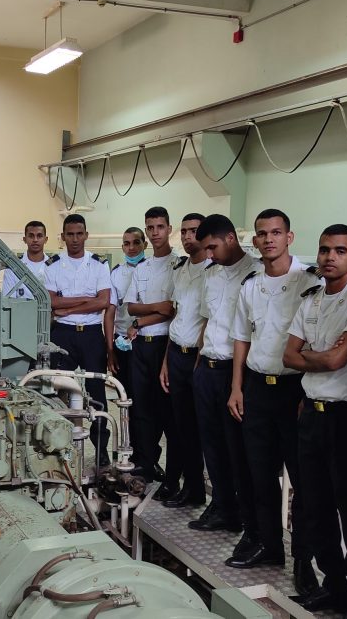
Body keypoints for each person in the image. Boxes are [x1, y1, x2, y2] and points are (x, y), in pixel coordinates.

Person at [283, 224, 347, 617]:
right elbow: (289, 356)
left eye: (339, 251)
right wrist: (319, 357)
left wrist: (316, 356)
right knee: (315, 509)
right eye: (324, 250)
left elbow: (336, 360)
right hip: (312, 415)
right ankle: (334, 588)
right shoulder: (311, 300)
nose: (329, 257)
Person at [228, 209, 319, 595]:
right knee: (258, 473)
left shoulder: (311, 282)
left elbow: (319, 341)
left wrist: (309, 390)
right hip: (257, 388)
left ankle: (304, 561)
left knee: (302, 481)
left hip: (296, 390)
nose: (268, 240)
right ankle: (267, 544)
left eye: (276, 233)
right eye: (262, 234)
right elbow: (241, 339)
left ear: (289, 237)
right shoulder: (251, 285)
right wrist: (237, 388)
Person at [189, 214, 257, 555]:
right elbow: (209, 321)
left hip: (236, 371)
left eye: (213, 246)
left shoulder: (256, 273)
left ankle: (247, 518)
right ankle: (223, 508)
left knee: (237, 450)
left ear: (230, 237)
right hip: (208, 368)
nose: (210, 254)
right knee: (211, 443)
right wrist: (199, 361)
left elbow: (251, 333)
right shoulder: (211, 274)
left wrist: (238, 384)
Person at [44, 213, 112, 463]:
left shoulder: (99, 264)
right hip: (63, 335)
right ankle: (58, 447)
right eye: (69, 234)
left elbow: (104, 301)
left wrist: (69, 307)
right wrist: (87, 299)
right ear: (63, 237)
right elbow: (52, 301)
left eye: (79, 233)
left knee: (97, 394)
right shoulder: (52, 265)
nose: (75, 239)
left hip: (92, 336)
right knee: (56, 391)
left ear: (86, 235)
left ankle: (101, 450)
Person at [125, 206, 180, 493]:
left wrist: (142, 318)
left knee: (167, 412)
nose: (155, 232)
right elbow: (131, 305)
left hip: (165, 346)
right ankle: (146, 464)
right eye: (150, 227)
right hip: (141, 347)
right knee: (142, 409)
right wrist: (155, 309)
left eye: (160, 226)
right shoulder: (142, 268)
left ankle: (173, 476)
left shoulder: (179, 266)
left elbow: (174, 309)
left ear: (169, 229)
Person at [158, 213, 209, 508]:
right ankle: (189, 488)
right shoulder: (180, 270)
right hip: (176, 353)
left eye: (195, 231)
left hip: (198, 358)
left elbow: (208, 321)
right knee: (180, 427)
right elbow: (176, 319)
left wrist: (199, 361)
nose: (189, 237)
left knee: (200, 429)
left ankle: (198, 490)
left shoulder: (213, 272)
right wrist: (166, 361)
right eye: (186, 231)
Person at [105, 228, 146, 425]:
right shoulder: (116, 273)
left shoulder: (151, 269)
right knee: (124, 395)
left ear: (144, 245)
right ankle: (126, 444)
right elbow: (111, 312)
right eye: (127, 243)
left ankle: (144, 450)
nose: (131, 248)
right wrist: (110, 348)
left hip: (146, 342)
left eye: (136, 242)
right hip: (122, 342)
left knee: (144, 398)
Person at [1, 220, 50, 299]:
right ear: (24, 239)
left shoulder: (55, 265)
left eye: (39, 236)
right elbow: (8, 301)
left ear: (46, 239)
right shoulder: (13, 267)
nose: (35, 240)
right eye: (31, 236)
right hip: (20, 311)